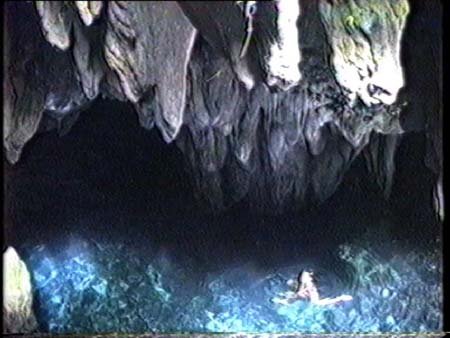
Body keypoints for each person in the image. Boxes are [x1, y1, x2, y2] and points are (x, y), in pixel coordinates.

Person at [272, 270, 353, 306]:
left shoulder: (305, 282)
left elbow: (306, 272)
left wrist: (304, 285)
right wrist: (342, 298)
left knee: (290, 283)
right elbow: (324, 302)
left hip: (307, 284)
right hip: (335, 286)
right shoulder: (315, 299)